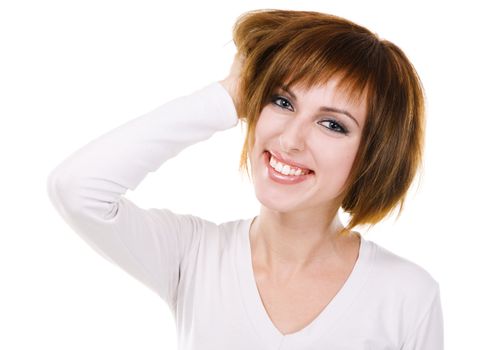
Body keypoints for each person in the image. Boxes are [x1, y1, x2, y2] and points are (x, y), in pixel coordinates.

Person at [47, 9, 443, 350]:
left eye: (332, 124)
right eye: (282, 101)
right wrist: (229, 96)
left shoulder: (407, 296)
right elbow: (77, 188)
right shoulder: (194, 255)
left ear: (374, 154)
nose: (290, 140)